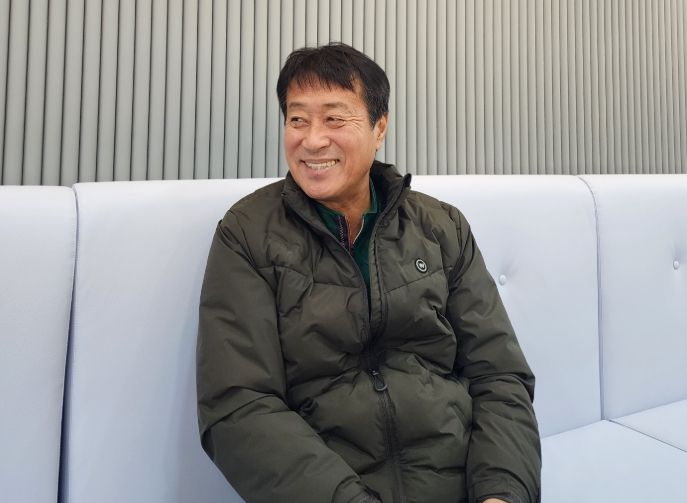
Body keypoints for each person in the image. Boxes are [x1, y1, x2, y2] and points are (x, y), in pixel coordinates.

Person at [197, 42, 541, 503]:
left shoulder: (442, 228)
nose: (312, 140)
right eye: (297, 120)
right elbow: (239, 405)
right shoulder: (247, 235)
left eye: (334, 119)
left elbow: (499, 374)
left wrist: (502, 492)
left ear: (380, 127)